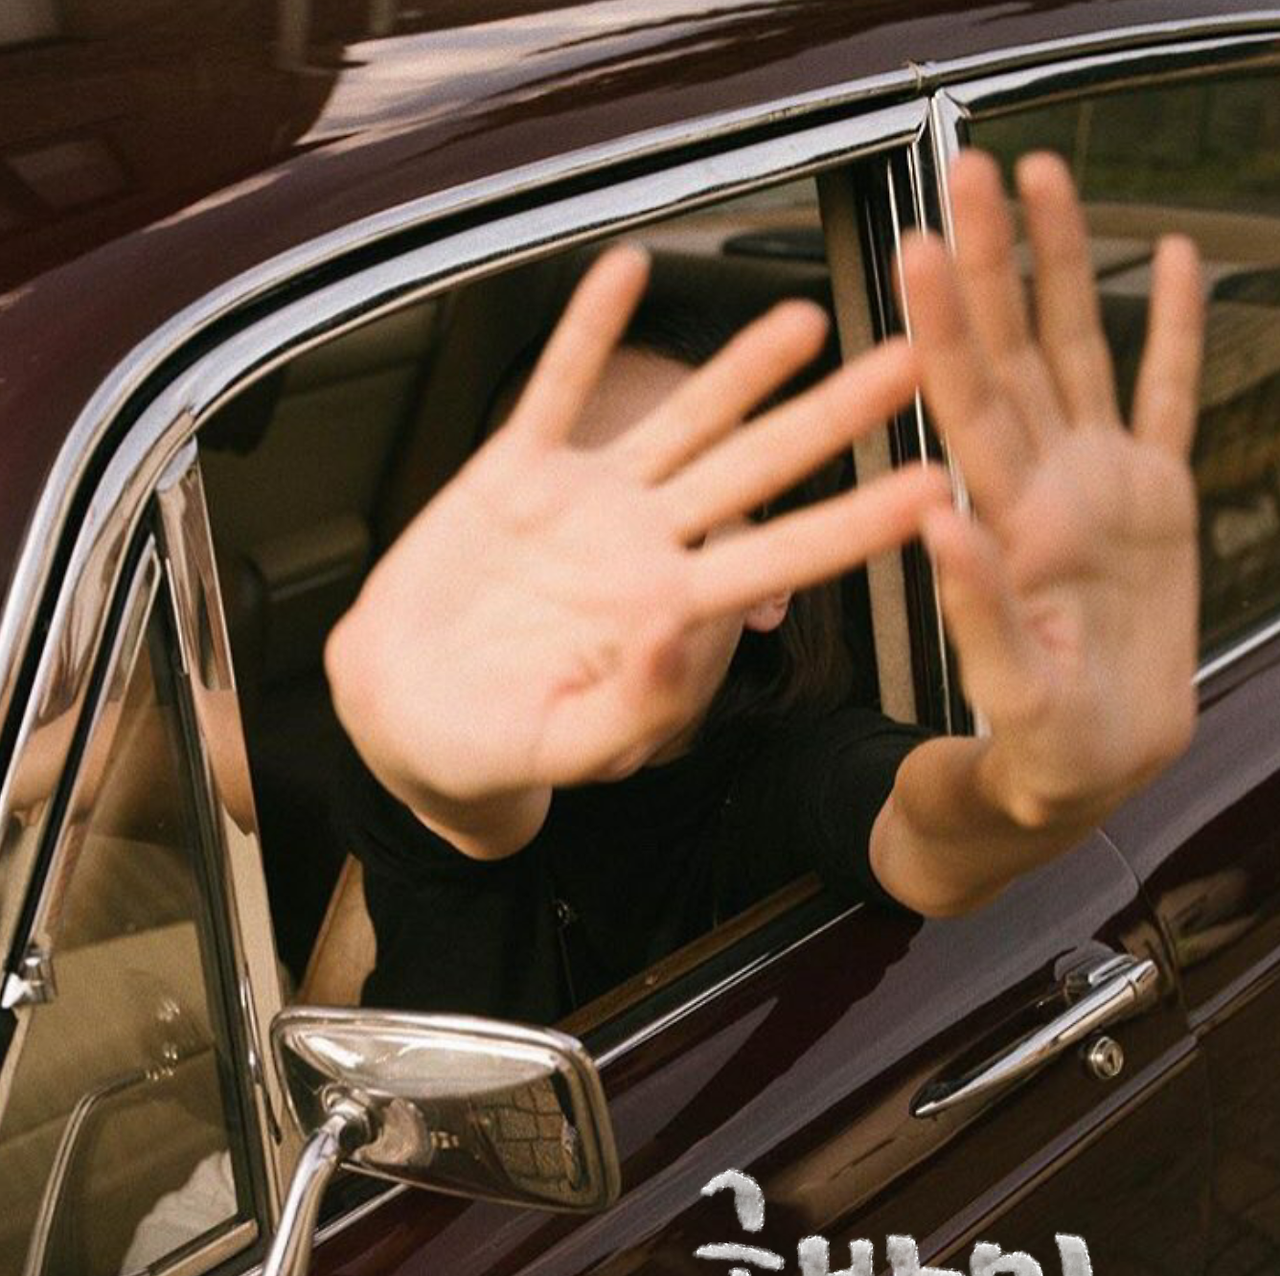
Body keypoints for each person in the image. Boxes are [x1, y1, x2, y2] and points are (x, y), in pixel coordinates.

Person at [325, 149, 1204, 1025]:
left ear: (770, 585)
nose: (609, 587)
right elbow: (472, 799)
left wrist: (1030, 788)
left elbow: (920, 824)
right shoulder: (449, 743)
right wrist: (428, 762)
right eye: (549, 528)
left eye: (678, 524)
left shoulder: (788, 779)